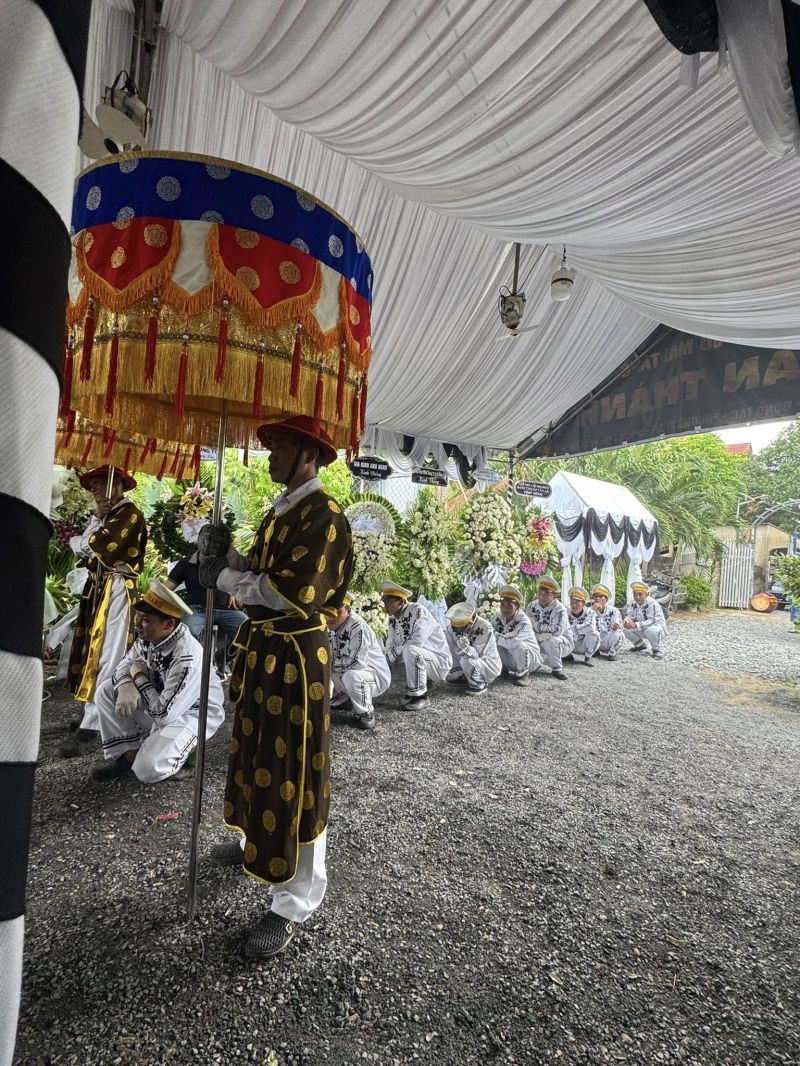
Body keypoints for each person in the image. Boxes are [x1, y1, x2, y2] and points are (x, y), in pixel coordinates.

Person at [197, 415, 353, 960]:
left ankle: (293, 903)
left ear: (308, 454)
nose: (269, 455)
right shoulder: (282, 510)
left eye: (279, 447)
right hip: (265, 652)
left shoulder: (325, 515)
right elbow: (259, 574)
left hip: (294, 657)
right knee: (257, 753)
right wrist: (224, 556)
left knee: (296, 768)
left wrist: (221, 576)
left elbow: (291, 592)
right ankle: (255, 842)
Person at [89, 580, 225, 783]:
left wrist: (139, 678)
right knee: (106, 691)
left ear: (168, 624)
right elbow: (124, 665)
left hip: (192, 713)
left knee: (148, 769)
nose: (137, 623)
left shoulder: (187, 657)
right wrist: (126, 684)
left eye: (144, 619)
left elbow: (164, 716)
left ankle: (190, 754)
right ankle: (130, 756)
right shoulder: (150, 637)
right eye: (138, 616)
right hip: (161, 700)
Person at [62, 465, 147, 757]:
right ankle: (92, 712)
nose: (95, 491)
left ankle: (97, 721)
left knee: (110, 653)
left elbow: (92, 546)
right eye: (93, 486)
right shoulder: (107, 516)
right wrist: (86, 536)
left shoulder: (129, 514)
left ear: (119, 485)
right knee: (93, 652)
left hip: (116, 590)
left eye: (100, 484)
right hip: (99, 589)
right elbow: (84, 545)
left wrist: (82, 540)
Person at [165, 549, 247, 674]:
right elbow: (167, 588)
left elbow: (239, 584)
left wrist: (234, 593)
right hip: (197, 609)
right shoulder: (186, 563)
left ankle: (222, 658)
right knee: (186, 630)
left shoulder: (227, 561)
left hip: (225, 610)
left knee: (248, 630)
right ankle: (191, 668)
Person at [381, 580, 451, 711]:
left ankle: (420, 696)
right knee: (385, 666)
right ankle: (422, 682)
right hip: (420, 659)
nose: (385, 605)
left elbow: (416, 641)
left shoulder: (418, 611)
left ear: (401, 601)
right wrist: (384, 660)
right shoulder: (393, 619)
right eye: (384, 601)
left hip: (439, 661)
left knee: (411, 650)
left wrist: (393, 653)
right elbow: (390, 644)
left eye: (389, 601)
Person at [326, 594, 391, 730]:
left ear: (348, 611)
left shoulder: (357, 625)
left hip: (374, 674)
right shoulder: (331, 625)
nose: (331, 616)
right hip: (355, 671)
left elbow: (358, 662)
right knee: (328, 667)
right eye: (327, 612)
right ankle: (344, 697)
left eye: (337, 611)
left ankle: (365, 711)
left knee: (350, 675)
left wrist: (328, 664)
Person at [444, 602, 502, 694]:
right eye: (456, 628)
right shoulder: (452, 628)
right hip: (468, 660)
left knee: (466, 659)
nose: (458, 631)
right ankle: (461, 675)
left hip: (487, 664)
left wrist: (466, 648)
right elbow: (449, 648)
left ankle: (479, 684)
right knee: (449, 645)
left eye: (461, 628)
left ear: (471, 622)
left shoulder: (485, 626)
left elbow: (477, 654)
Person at [491, 584, 543, 686]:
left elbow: (511, 641)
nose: (505, 609)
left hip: (531, 659)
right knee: (494, 642)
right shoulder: (498, 616)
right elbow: (488, 630)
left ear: (517, 607)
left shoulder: (523, 621)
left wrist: (493, 634)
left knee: (518, 644)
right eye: (503, 605)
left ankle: (524, 674)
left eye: (509, 606)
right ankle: (503, 668)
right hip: (512, 657)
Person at [526, 576, 571, 680]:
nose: (542, 597)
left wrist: (536, 625)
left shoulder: (560, 609)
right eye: (540, 593)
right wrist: (538, 634)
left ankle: (557, 668)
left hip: (562, 642)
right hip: (538, 637)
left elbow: (557, 631)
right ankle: (533, 664)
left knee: (551, 640)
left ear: (554, 596)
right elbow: (526, 624)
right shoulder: (532, 605)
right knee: (524, 639)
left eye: (546, 594)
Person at [623, 580, 667, 659]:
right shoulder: (633, 603)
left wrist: (635, 624)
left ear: (647, 594)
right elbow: (629, 615)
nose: (637, 597)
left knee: (651, 630)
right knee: (623, 627)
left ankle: (656, 650)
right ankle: (640, 645)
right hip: (643, 628)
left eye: (640, 594)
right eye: (635, 594)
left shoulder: (652, 604)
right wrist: (627, 621)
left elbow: (653, 621)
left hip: (657, 629)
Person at [566, 586, 600, 666]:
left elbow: (590, 627)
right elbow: (561, 628)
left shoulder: (590, 612)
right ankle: (566, 655)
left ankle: (588, 657)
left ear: (584, 603)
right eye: (572, 602)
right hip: (570, 643)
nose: (574, 606)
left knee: (594, 634)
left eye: (577, 603)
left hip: (583, 644)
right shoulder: (565, 612)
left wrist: (572, 629)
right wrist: (581, 629)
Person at [591, 583, 624, 660]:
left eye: (601, 596)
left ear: (606, 599)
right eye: (596, 596)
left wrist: (614, 626)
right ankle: (594, 650)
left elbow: (618, 624)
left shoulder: (614, 610)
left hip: (609, 638)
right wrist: (592, 611)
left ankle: (612, 653)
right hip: (596, 638)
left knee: (618, 633)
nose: (597, 599)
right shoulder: (590, 610)